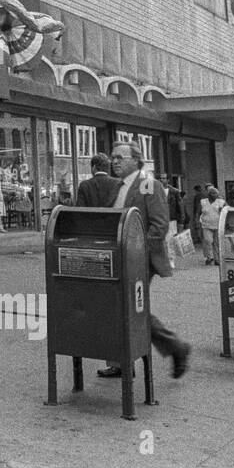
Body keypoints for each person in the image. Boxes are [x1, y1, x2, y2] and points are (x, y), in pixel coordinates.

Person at [97, 142, 191, 380]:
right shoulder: (116, 186)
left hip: (138, 260)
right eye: (113, 158)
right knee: (117, 307)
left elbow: (159, 226)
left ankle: (175, 347)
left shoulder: (149, 184)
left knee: (130, 307)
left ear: (136, 160)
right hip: (115, 257)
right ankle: (120, 362)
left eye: (120, 157)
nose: (114, 161)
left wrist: (137, 253)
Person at [198, 185, 225, 266]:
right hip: (206, 225)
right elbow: (198, 212)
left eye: (215, 193)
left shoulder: (221, 201)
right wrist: (197, 222)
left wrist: (222, 210)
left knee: (217, 243)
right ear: (209, 194)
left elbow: (226, 211)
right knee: (208, 240)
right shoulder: (203, 202)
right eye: (212, 193)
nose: (214, 195)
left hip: (218, 225)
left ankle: (217, 259)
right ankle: (209, 258)